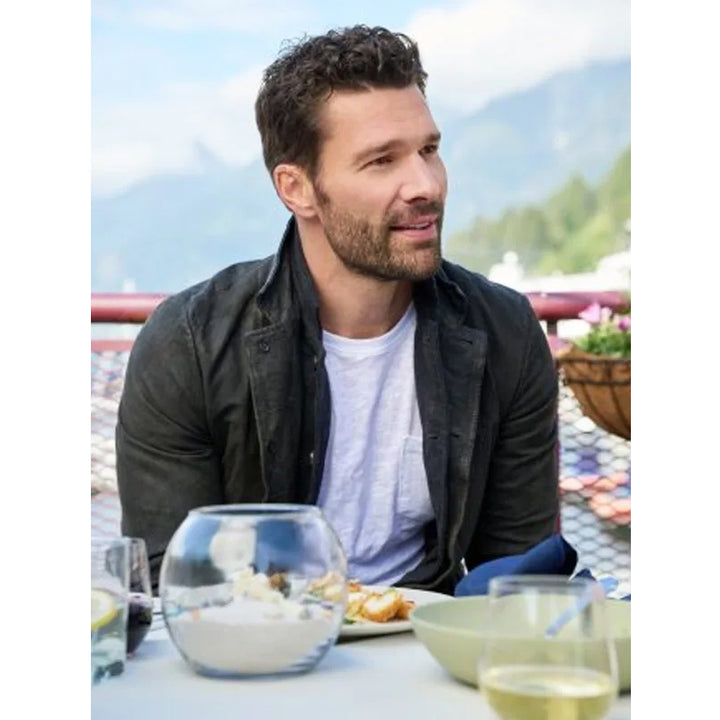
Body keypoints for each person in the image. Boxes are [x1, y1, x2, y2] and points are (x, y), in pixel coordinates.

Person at [117, 25, 559, 594]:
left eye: (429, 150)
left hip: (426, 637)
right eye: (381, 161)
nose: (425, 184)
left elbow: (520, 578)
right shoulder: (189, 345)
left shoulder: (505, 332)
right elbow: (175, 580)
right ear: (296, 188)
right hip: (256, 639)